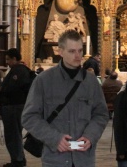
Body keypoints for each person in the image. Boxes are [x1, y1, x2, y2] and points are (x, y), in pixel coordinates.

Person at [21, 29, 109, 167]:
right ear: (60, 51)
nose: (78, 56)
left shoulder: (91, 82)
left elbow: (101, 114)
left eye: (80, 50)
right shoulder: (44, 80)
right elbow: (29, 117)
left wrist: (90, 136)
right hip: (55, 158)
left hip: (84, 158)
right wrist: (54, 138)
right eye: (72, 51)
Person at [0, 47, 33, 167]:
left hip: (14, 107)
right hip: (16, 107)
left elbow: (12, 89)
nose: (7, 62)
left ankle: (18, 160)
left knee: (13, 135)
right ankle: (19, 158)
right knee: (15, 134)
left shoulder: (18, 71)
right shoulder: (20, 70)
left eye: (8, 59)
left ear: (15, 59)